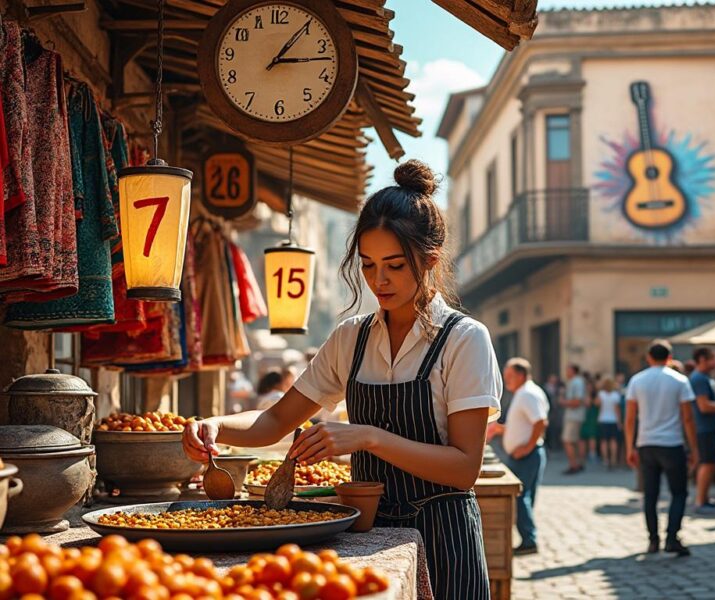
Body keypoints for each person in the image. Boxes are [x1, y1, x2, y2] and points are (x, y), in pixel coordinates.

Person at [182, 160, 501, 599]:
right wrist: (216, 425)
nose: (379, 280)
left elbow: (464, 469)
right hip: (367, 540)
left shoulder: (464, 340)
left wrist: (368, 437)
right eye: (368, 265)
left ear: (428, 261)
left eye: (394, 265)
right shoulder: (351, 337)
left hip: (445, 537)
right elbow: (275, 421)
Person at [625, 339, 699, 556]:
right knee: (678, 492)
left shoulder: (637, 380)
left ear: (649, 357)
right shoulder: (679, 380)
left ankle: (653, 539)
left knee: (650, 494)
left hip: (646, 443)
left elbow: (630, 418)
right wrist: (694, 448)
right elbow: (688, 419)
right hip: (672, 443)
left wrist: (630, 447)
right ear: (670, 357)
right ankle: (672, 536)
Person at [487, 358, 548, 555]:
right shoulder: (524, 393)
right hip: (526, 454)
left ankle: (529, 540)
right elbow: (524, 425)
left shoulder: (527, 394)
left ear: (521, 375)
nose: (506, 381)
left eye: (509, 376)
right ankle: (528, 538)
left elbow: (540, 422)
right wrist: (500, 429)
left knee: (521, 497)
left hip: (527, 455)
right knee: (523, 497)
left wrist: (527, 447)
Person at [689, 347, 715, 514]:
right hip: (704, 429)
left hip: (709, 428)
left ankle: (703, 498)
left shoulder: (704, 378)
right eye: (713, 358)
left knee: (710, 463)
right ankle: (700, 501)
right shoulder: (699, 378)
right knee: (707, 463)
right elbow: (703, 406)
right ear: (703, 359)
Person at [560, 364, 586, 474]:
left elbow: (577, 401)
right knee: (575, 441)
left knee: (568, 440)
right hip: (574, 415)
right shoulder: (574, 382)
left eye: (568, 370)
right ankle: (578, 463)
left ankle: (574, 465)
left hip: (574, 416)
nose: (566, 372)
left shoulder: (576, 382)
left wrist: (563, 401)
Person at [596, 375, 622, 469]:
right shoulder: (615, 395)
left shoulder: (601, 394)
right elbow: (617, 410)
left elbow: (596, 404)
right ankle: (613, 459)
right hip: (613, 420)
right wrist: (619, 422)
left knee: (604, 441)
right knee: (613, 441)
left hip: (603, 419)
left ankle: (605, 459)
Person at [580, 372, 599, 464]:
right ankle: (583, 455)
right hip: (585, 416)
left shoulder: (595, 394)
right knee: (583, 436)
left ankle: (592, 453)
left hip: (592, 416)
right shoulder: (584, 393)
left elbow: (594, 403)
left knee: (592, 436)